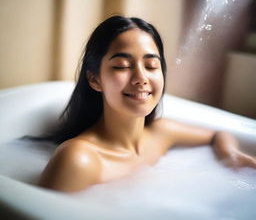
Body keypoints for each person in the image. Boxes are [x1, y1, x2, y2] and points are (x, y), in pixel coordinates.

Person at [38, 15, 256, 192]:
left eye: (151, 66)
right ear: (95, 79)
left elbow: (217, 135)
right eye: (122, 66)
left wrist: (231, 155)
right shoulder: (78, 159)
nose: (141, 78)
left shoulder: (161, 132)